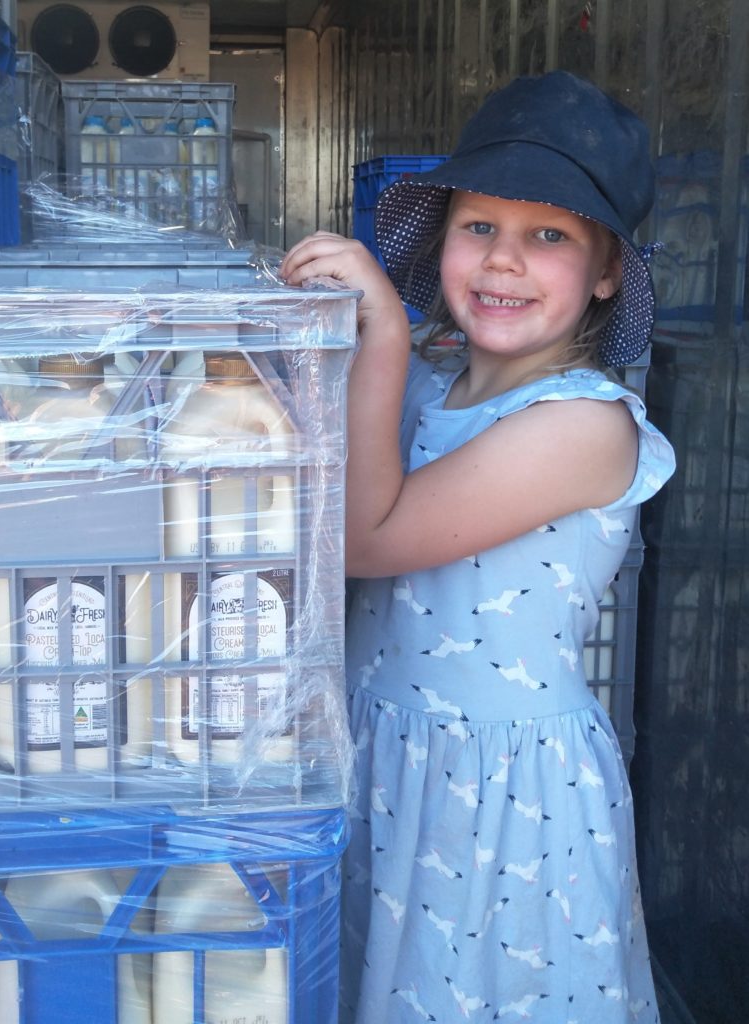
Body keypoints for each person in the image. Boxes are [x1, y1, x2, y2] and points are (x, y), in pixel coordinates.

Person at [280, 71, 675, 1023]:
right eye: (479, 227)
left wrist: (373, 337)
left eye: (549, 236)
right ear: (443, 237)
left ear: (606, 270)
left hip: (499, 797)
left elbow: (366, 540)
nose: (503, 261)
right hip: (381, 755)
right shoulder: (430, 382)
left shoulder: (585, 425)